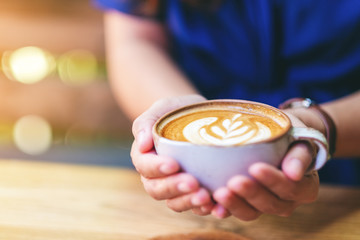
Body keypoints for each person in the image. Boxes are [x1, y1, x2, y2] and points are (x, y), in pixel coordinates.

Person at [94, 0, 360, 220]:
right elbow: (136, 41)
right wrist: (177, 115)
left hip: (349, 178)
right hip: (186, 192)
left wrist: (323, 125)